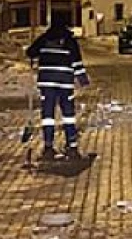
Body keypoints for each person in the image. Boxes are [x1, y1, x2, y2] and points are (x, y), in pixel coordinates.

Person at [26, 20, 89, 161]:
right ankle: (72, 146)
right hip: (64, 82)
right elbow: (76, 61)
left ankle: (48, 146)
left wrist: (33, 52)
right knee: (68, 115)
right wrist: (82, 79)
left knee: (47, 115)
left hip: (46, 82)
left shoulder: (44, 39)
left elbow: (30, 52)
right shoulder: (69, 41)